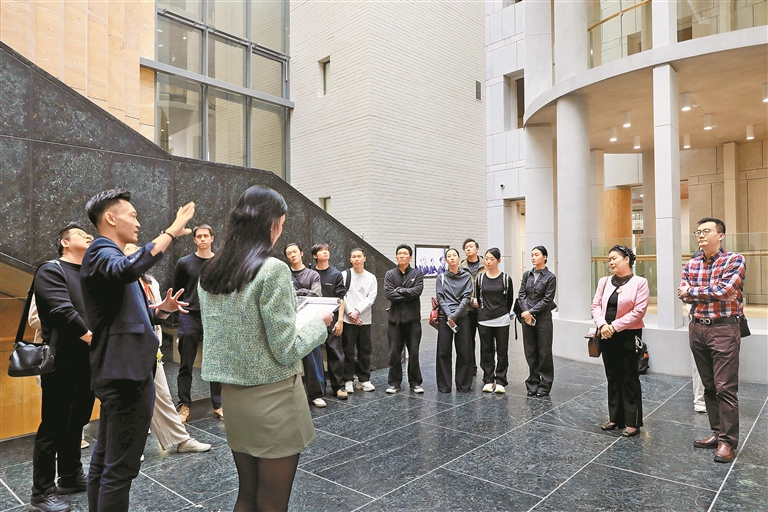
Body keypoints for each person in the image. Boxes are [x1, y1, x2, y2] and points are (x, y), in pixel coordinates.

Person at [198, 185, 331, 511]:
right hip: (274, 397)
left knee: (247, 493)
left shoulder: (211, 271)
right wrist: (320, 324)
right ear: (271, 224)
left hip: (234, 397)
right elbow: (285, 349)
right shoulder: (272, 270)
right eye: (281, 224)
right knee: (272, 501)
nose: (280, 231)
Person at [81, 188, 195, 512]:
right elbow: (127, 269)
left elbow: (123, 313)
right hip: (125, 373)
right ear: (110, 217)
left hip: (123, 369)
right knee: (120, 469)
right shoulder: (101, 252)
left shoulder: (109, 257)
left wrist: (159, 311)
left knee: (106, 460)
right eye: (132, 215)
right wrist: (170, 232)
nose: (138, 222)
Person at [29, 224, 96, 512]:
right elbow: (61, 310)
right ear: (65, 242)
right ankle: (41, 493)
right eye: (82, 234)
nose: (90, 237)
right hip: (62, 361)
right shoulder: (51, 270)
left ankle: (69, 476)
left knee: (77, 420)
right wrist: (92, 337)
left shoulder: (88, 273)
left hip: (88, 360)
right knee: (53, 425)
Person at [123, 244, 211, 455]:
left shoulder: (150, 282)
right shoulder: (119, 282)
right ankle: (127, 449)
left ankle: (181, 439)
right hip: (127, 348)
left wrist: (166, 310)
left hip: (151, 345)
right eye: (129, 256)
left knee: (162, 396)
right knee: (129, 399)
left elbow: (154, 315)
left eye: (138, 256)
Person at [679, 217, 746, 464]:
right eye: (698, 231)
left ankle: (727, 442)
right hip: (697, 328)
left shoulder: (734, 260)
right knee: (708, 385)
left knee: (725, 387)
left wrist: (694, 292)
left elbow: (724, 290)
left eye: (706, 231)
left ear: (721, 235)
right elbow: (683, 295)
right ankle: (717, 433)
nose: (701, 235)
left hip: (724, 328)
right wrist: (702, 293)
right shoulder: (691, 263)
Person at [592, 245, 649, 438]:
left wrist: (614, 326)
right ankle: (615, 418)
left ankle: (632, 422)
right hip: (606, 334)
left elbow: (639, 312)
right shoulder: (604, 281)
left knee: (629, 377)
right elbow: (595, 306)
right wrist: (602, 325)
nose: (611, 262)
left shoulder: (640, 283)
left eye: (614, 258)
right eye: (609, 259)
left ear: (627, 259)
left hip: (628, 335)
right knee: (612, 376)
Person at [174, 224, 221, 423]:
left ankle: (218, 404)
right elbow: (177, 290)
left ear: (212, 238)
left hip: (213, 316)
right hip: (189, 316)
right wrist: (180, 312)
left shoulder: (220, 262)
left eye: (205, 236)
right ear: (194, 240)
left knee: (215, 363)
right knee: (186, 363)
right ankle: (184, 405)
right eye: (198, 236)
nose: (202, 239)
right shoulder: (184, 262)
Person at [284, 242, 326, 408]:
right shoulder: (284, 274)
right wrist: (304, 293)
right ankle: (291, 396)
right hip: (290, 322)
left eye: (295, 251)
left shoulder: (313, 274)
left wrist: (298, 293)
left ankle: (316, 394)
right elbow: (286, 296)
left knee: (313, 358)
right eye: (289, 253)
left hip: (309, 320)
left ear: (301, 253)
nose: (292, 255)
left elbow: (316, 295)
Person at [384, 244, 425, 393]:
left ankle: (415, 382)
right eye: (399, 253)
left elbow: (417, 291)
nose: (402, 256)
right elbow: (388, 294)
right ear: (396, 257)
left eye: (405, 253)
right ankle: (394, 383)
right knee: (394, 353)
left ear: (410, 257)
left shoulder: (417, 274)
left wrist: (400, 291)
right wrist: (408, 294)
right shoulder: (390, 274)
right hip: (394, 321)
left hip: (413, 321)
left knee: (414, 352)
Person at [518, 246, 557, 397]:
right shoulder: (527, 274)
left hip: (543, 319)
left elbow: (548, 299)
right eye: (532, 255)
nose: (533, 257)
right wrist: (526, 313)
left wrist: (531, 312)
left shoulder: (550, 277)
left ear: (544, 257)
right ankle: (532, 382)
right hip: (527, 319)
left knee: (544, 351)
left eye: (536, 255)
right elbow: (521, 295)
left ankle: (545, 384)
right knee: (530, 351)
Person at [311, 243, 348, 401]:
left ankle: (338, 387)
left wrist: (340, 320)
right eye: (321, 251)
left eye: (326, 250)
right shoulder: (311, 273)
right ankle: (318, 390)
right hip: (314, 320)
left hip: (332, 320)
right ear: (315, 256)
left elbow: (341, 299)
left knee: (336, 354)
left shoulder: (336, 274)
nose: (325, 253)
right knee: (316, 356)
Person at [475, 248, 514, 394]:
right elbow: (479, 299)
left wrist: (502, 312)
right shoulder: (480, 279)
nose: (488, 261)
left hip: (502, 319)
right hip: (484, 319)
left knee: (502, 351)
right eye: (486, 258)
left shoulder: (506, 279)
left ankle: (501, 381)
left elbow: (509, 300)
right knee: (486, 350)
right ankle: (488, 379)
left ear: (498, 261)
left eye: (492, 259)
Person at [435, 248, 473, 393]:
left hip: (462, 317)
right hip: (445, 318)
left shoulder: (466, 276)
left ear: (459, 258)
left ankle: (463, 385)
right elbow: (440, 297)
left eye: (454, 255)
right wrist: (449, 315)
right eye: (449, 256)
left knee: (464, 351)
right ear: (446, 260)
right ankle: (444, 385)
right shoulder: (441, 277)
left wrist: (455, 315)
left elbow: (466, 297)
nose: (451, 258)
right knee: (443, 352)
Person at [341, 248, 378, 393]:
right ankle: (348, 380)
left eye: (359, 256)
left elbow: (371, 298)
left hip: (364, 319)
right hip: (348, 319)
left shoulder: (371, 277)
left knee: (364, 350)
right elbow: (341, 295)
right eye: (354, 257)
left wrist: (357, 312)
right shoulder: (344, 275)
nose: (356, 259)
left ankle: (364, 380)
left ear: (364, 258)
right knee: (348, 350)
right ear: (350, 259)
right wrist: (351, 312)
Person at [460, 238, 485, 377]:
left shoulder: (486, 264)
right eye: (466, 247)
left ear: (477, 249)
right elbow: (459, 288)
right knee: (468, 341)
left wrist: (480, 300)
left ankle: (487, 369)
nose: (468, 249)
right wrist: (470, 300)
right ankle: (471, 368)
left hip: (484, 309)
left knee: (486, 341)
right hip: (467, 310)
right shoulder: (461, 267)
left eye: (471, 246)